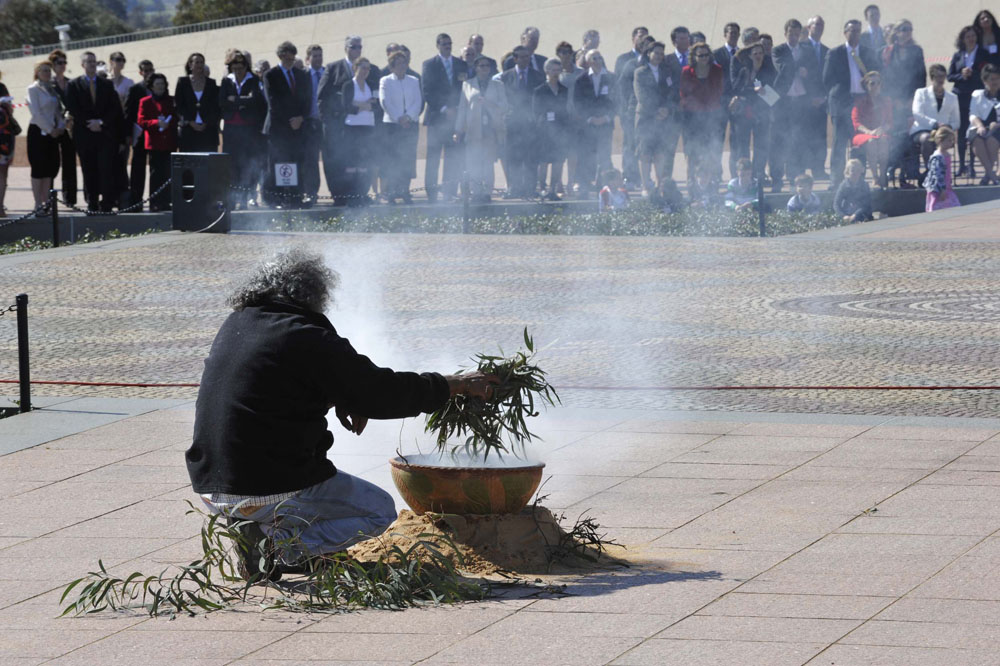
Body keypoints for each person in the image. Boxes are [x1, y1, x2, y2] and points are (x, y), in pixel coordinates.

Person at [187, 249, 497, 579]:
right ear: (314, 294)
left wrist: (343, 397)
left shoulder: (239, 323)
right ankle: (276, 547)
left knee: (303, 488)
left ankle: (253, 529)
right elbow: (381, 392)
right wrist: (454, 385)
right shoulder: (305, 335)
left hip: (211, 484)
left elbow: (279, 380)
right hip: (265, 484)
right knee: (377, 510)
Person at [824, 19, 881, 187]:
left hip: (862, 103)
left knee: (859, 142)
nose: (855, 34)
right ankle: (836, 180)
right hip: (841, 104)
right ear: (845, 32)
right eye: (851, 30)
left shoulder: (869, 53)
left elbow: (877, 75)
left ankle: (858, 179)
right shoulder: (835, 53)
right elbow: (826, 80)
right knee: (839, 143)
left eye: (858, 30)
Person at [64, 51, 123, 213]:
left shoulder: (107, 84)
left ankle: (107, 203)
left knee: (106, 168)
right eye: (88, 62)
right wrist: (88, 123)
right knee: (88, 169)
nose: (91, 64)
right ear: (82, 65)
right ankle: (92, 202)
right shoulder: (74, 85)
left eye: (93, 61)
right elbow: (73, 107)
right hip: (84, 134)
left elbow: (114, 108)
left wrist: (101, 122)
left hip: (105, 134)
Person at [263, 41, 312, 208]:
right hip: (279, 129)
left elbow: (307, 100)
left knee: (297, 162)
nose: (290, 59)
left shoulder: (302, 75)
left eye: (292, 55)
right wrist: (289, 122)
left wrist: (300, 118)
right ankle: (277, 198)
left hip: (298, 128)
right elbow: (273, 102)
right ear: (281, 56)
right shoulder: (271, 75)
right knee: (279, 164)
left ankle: (296, 197)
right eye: (287, 55)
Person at [454, 54, 508, 202]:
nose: (485, 69)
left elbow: (504, 106)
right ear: (476, 68)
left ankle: (487, 193)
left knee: (488, 163)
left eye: (487, 66)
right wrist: (458, 130)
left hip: (491, 129)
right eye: (481, 66)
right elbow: (463, 109)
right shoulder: (467, 84)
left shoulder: (498, 85)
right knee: (473, 162)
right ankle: (476, 192)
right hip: (473, 129)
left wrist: (488, 103)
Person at [421, 33, 468, 203]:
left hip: (455, 119)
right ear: (437, 45)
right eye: (444, 44)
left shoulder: (461, 64)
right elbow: (427, 90)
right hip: (436, 119)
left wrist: (457, 109)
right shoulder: (429, 65)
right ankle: (432, 193)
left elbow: (464, 89)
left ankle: (449, 191)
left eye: (449, 43)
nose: (447, 46)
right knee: (433, 157)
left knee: (453, 157)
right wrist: (444, 109)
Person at [221, 48, 267, 210]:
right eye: (235, 68)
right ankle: (233, 199)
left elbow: (255, 100)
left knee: (247, 164)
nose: (238, 71)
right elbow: (223, 102)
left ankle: (246, 198)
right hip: (231, 130)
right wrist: (243, 101)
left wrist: (236, 100)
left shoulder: (253, 80)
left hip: (249, 130)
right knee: (232, 165)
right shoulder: (227, 81)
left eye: (241, 68)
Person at [881, 20, 925, 188]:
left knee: (911, 136)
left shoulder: (917, 50)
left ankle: (911, 170)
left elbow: (921, 76)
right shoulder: (889, 52)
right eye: (903, 29)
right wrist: (894, 99)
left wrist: (913, 99)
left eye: (909, 29)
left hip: (911, 100)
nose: (906, 32)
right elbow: (887, 77)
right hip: (894, 100)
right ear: (896, 32)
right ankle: (892, 168)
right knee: (896, 137)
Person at [771, 19, 814, 192]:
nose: (794, 37)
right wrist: (799, 67)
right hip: (784, 102)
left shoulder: (807, 50)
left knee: (799, 141)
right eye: (791, 33)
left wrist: (807, 73)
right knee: (780, 141)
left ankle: (798, 178)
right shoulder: (778, 50)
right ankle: (777, 179)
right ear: (785, 33)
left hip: (801, 101)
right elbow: (782, 67)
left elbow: (814, 70)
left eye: (797, 34)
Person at [500, 45, 544, 198]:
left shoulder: (538, 76)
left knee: (531, 157)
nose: (526, 60)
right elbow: (503, 100)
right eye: (522, 57)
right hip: (512, 124)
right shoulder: (505, 77)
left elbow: (540, 99)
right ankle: (514, 188)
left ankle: (530, 189)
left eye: (528, 57)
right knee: (513, 157)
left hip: (531, 124)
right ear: (515, 58)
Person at [635, 41, 678, 196]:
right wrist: (656, 111)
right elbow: (641, 95)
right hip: (646, 118)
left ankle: (660, 185)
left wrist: (666, 109)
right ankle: (646, 185)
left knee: (660, 152)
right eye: (656, 53)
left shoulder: (666, 72)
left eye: (661, 53)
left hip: (663, 118)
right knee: (645, 152)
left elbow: (672, 92)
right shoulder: (640, 72)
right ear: (649, 54)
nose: (659, 56)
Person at [380, 50, 423, 204]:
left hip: (410, 125)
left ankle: (405, 190)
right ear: (392, 66)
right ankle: (391, 192)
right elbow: (385, 102)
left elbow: (418, 102)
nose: (402, 66)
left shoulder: (414, 80)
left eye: (404, 63)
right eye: (398, 64)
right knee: (393, 159)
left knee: (407, 158)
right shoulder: (385, 81)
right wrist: (399, 118)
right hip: (392, 125)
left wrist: (409, 117)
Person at [730, 42, 776, 181]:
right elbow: (736, 88)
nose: (758, 56)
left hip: (761, 113)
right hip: (744, 113)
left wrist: (762, 92)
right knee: (743, 145)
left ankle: (758, 174)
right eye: (755, 53)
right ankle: (744, 175)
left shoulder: (768, 70)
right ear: (750, 56)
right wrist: (754, 91)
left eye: (760, 53)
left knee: (761, 145)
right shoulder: (745, 71)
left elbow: (773, 94)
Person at [680, 42, 724, 183]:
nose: (704, 58)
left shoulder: (717, 70)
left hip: (712, 115)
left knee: (711, 148)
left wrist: (709, 106)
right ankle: (691, 179)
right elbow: (684, 93)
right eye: (701, 55)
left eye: (706, 55)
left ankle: (712, 179)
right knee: (692, 150)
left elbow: (719, 90)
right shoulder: (687, 71)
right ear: (694, 57)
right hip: (692, 116)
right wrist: (696, 105)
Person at [573, 50, 616, 195]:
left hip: (606, 124)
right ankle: (584, 184)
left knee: (604, 155)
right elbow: (577, 103)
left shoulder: (612, 78)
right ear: (588, 62)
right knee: (586, 155)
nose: (598, 60)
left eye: (600, 57)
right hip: (588, 125)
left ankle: (604, 185)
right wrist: (590, 118)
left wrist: (607, 117)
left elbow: (618, 100)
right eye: (594, 58)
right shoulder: (581, 79)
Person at [26, 60, 65, 214]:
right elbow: (36, 113)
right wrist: (50, 129)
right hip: (38, 132)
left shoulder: (52, 89)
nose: (47, 73)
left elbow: (57, 111)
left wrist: (60, 126)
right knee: (38, 169)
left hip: (52, 134)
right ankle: (37, 204)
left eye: (49, 71)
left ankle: (46, 202)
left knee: (50, 169)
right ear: (37, 73)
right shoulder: (33, 89)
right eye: (43, 71)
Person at [340, 57, 381, 205]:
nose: (366, 71)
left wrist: (358, 104)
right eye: (363, 68)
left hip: (368, 128)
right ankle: (352, 194)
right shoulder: (348, 86)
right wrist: (364, 105)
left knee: (365, 163)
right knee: (352, 163)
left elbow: (376, 106)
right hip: (352, 129)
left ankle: (363, 193)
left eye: (368, 68)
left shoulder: (371, 85)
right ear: (355, 68)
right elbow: (347, 107)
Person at [136, 73, 177, 212]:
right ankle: (154, 201)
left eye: (162, 84)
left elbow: (176, 116)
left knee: (167, 173)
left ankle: (166, 201)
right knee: (155, 174)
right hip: (154, 143)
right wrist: (156, 123)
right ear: (152, 87)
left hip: (169, 142)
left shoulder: (171, 100)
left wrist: (169, 123)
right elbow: (141, 121)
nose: (160, 87)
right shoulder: (145, 101)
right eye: (157, 84)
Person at [949, 26, 987, 176]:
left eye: (972, 36)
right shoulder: (958, 55)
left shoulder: (983, 54)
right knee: (961, 131)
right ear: (963, 39)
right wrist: (961, 75)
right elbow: (950, 76)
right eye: (967, 37)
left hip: (976, 96)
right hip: (960, 96)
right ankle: (962, 165)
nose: (970, 39)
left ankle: (972, 166)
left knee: (972, 131)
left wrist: (973, 74)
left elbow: (987, 72)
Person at [615, 26, 649, 188]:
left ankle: (644, 178)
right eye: (640, 36)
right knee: (629, 143)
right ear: (633, 38)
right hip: (629, 110)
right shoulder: (625, 60)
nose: (643, 40)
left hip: (647, 112)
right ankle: (629, 176)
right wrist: (624, 109)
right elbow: (620, 86)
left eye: (646, 37)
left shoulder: (653, 61)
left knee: (644, 143)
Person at [531, 58, 569, 200]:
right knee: (544, 161)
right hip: (544, 131)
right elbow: (536, 112)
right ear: (547, 71)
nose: (556, 73)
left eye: (558, 70)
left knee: (558, 161)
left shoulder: (564, 90)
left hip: (560, 131)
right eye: (553, 70)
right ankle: (542, 188)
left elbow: (566, 111)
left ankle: (553, 189)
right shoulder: (539, 91)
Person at [910, 64, 960, 170]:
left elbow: (956, 121)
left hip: (944, 132)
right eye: (938, 76)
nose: (941, 79)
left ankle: (942, 173)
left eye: (943, 76)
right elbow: (917, 113)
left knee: (943, 139)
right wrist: (934, 124)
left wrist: (947, 127)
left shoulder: (952, 97)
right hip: (922, 130)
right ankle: (931, 171)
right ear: (932, 77)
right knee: (927, 139)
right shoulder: (921, 93)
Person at [852, 71, 893, 189]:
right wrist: (868, 132)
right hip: (863, 134)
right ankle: (875, 177)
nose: (876, 86)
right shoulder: (860, 101)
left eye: (878, 83)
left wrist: (882, 128)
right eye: (872, 83)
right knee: (871, 142)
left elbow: (890, 122)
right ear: (866, 85)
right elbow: (856, 122)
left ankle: (883, 174)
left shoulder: (886, 100)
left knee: (883, 141)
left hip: (880, 132)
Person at [48, 50, 78, 207]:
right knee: (52, 163)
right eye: (59, 63)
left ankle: (70, 199)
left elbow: (74, 104)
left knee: (70, 163)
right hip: (53, 129)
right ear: (53, 65)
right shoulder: (48, 84)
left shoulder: (70, 83)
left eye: (64, 62)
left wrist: (71, 118)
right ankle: (48, 198)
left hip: (68, 128)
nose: (63, 66)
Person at [175, 52, 220, 153]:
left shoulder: (211, 83)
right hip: (188, 130)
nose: (200, 65)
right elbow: (179, 105)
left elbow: (215, 106)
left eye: (202, 62)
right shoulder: (182, 82)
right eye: (197, 62)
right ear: (190, 65)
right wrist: (191, 122)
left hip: (207, 130)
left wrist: (206, 122)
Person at [124, 60, 155, 208]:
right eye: (146, 70)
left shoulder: (158, 86)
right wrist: (129, 134)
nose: (149, 73)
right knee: (138, 168)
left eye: (151, 70)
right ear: (140, 72)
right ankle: (136, 200)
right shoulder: (135, 89)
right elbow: (129, 113)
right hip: (139, 134)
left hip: (155, 134)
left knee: (155, 167)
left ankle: (156, 199)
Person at [713, 22, 741, 178]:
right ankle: (716, 175)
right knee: (718, 140)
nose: (733, 35)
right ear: (725, 34)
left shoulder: (743, 54)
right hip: (720, 103)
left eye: (736, 33)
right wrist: (724, 98)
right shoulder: (716, 54)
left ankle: (736, 175)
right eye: (731, 33)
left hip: (738, 102)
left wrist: (737, 97)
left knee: (736, 141)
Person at [804, 16, 830, 179]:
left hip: (822, 102)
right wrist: (809, 97)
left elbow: (829, 77)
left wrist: (824, 97)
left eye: (821, 24)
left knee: (821, 137)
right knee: (803, 136)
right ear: (809, 27)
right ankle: (801, 171)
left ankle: (818, 169)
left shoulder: (827, 51)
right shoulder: (800, 47)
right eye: (816, 24)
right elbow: (798, 76)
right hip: (804, 102)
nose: (819, 27)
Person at [107, 51, 134, 207]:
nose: (120, 62)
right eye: (117, 60)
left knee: (122, 163)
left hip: (122, 127)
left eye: (123, 60)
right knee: (107, 163)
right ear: (111, 62)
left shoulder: (128, 82)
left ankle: (123, 197)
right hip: (107, 128)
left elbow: (129, 109)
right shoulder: (104, 80)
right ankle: (109, 196)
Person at [968, 63, 1000, 185]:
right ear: (985, 80)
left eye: (997, 78)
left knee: (992, 139)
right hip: (978, 127)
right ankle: (991, 175)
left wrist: (997, 125)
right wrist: (980, 126)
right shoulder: (977, 94)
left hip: (997, 129)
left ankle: (987, 176)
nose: (995, 82)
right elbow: (973, 114)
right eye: (992, 79)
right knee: (977, 140)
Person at [301, 44, 325, 204]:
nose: (318, 58)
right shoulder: (302, 75)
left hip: (326, 123)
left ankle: (338, 192)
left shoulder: (327, 73)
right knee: (310, 160)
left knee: (331, 159)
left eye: (320, 55)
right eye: (314, 56)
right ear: (308, 59)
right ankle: (311, 192)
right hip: (309, 123)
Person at [923, 126, 960, 211]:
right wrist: (941, 190)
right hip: (938, 190)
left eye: (952, 140)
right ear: (940, 141)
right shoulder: (938, 157)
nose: (951, 143)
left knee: (953, 208)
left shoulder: (947, 155)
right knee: (937, 208)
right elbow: (937, 174)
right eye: (949, 140)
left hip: (947, 188)